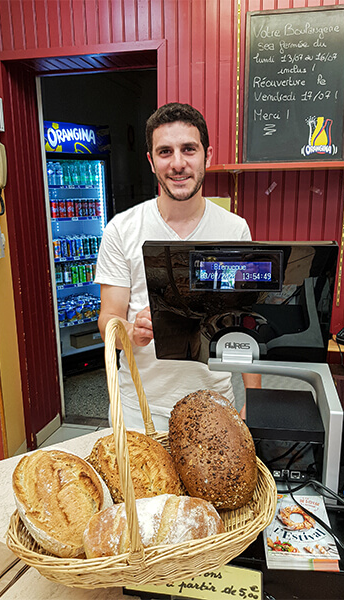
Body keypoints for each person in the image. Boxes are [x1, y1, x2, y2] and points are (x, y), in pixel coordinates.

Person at [95, 102, 261, 429]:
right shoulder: (121, 229)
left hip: (213, 404)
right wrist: (131, 332)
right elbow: (108, 319)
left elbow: (245, 322)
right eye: (165, 152)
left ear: (207, 156)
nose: (178, 163)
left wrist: (255, 399)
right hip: (140, 408)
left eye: (189, 149)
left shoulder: (235, 230)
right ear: (151, 162)